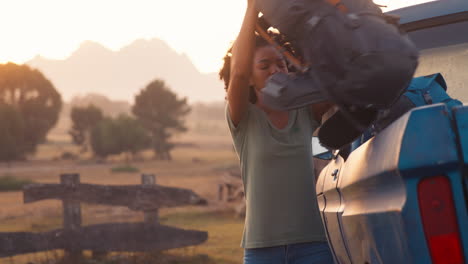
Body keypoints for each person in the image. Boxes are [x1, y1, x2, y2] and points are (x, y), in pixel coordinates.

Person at [218, 0, 334, 263]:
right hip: (262, 250)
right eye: (264, 66)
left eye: (280, 64)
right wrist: (252, 8)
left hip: (313, 245)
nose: (275, 70)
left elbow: (335, 81)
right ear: (250, 77)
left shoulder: (306, 110)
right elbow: (236, 73)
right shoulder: (243, 118)